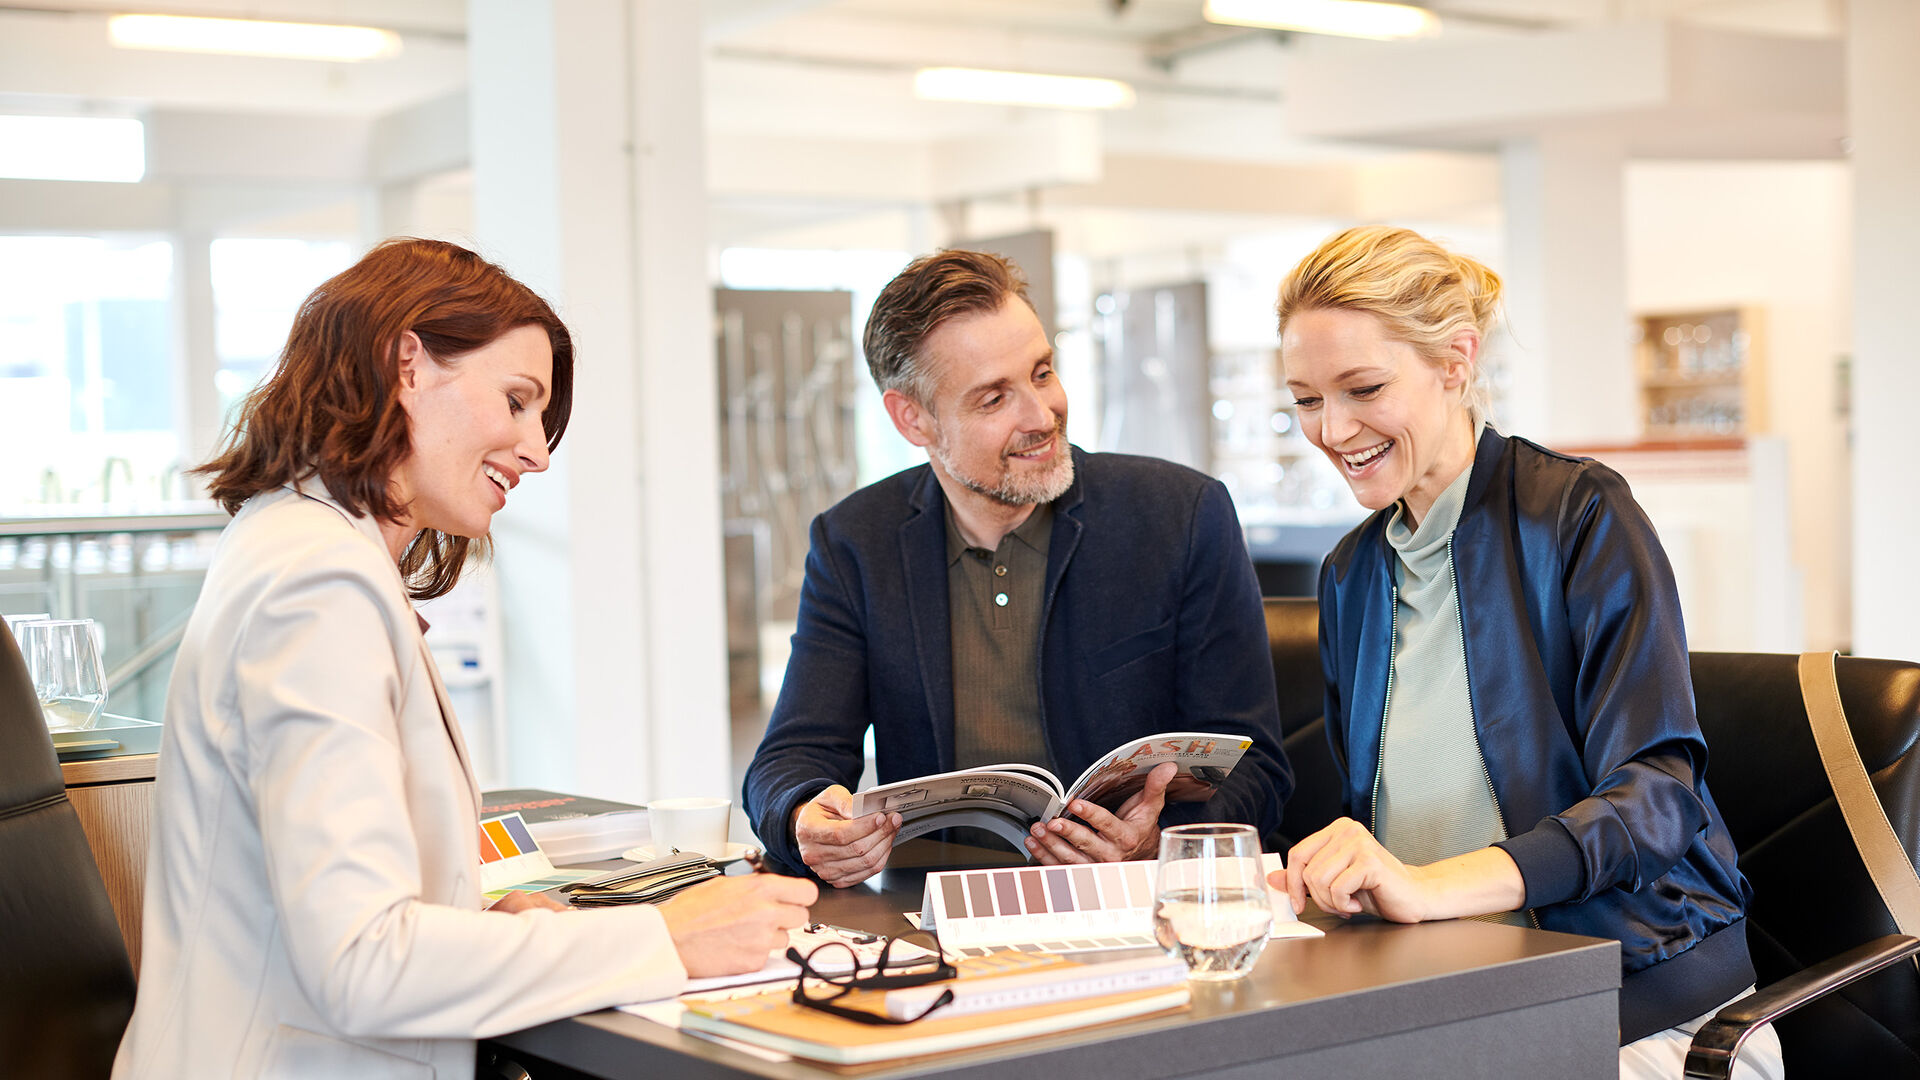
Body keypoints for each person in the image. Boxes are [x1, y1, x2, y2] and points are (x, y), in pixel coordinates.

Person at [112, 239, 816, 1079]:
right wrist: (665, 937)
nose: (537, 451)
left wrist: (500, 925)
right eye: (517, 401)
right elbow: (362, 961)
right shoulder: (318, 584)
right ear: (404, 363)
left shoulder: (294, 543)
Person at [1270, 225, 1782, 1078]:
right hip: (1461, 1004)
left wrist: (1431, 887)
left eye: (1362, 387)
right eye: (1306, 399)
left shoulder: (1580, 516)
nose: (1332, 429)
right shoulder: (1352, 575)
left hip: (1639, 1013)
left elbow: (1656, 801)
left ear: (1456, 361)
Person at [744, 248, 1291, 888]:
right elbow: (791, 757)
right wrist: (807, 819)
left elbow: (1258, 765)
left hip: (1134, 904)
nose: (1041, 415)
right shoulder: (855, 541)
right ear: (911, 417)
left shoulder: (1181, 515)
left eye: (1041, 373)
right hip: (939, 909)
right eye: (994, 397)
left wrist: (1157, 843)